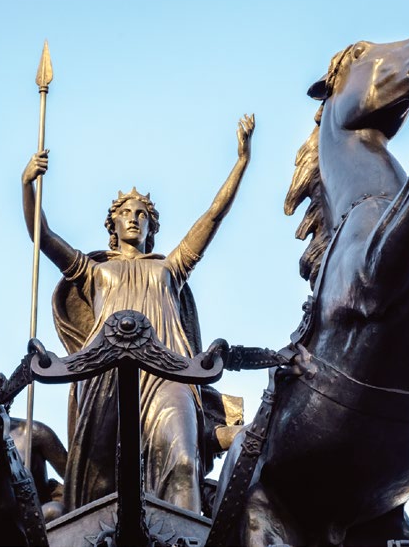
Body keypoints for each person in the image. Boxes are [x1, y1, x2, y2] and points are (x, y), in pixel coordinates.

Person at [21, 114, 253, 514]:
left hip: (168, 374)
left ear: (151, 225)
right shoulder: (95, 272)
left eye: (142, 213)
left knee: (182, 461)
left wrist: (241, 161)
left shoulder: (170, 268)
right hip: (105, 376)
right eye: (126, 212)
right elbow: (41, 234)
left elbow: (213, 216)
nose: (134, 217)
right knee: (99, 488)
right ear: (112, 223)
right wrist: (27, 184)